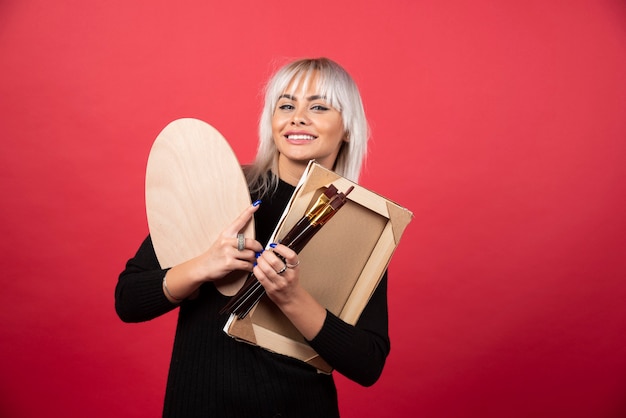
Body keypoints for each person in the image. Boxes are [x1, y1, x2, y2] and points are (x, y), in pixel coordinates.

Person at [115, 57, 390, 417]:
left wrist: (292, 298)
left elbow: (368, 363)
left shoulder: (358, 224)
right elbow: (129, 299)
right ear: (272, 120)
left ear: (349, 128)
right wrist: (204, 266)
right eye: (286, 105)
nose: (298, 117)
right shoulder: (222, 188)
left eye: (319, 106)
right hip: (199, 404)